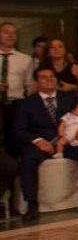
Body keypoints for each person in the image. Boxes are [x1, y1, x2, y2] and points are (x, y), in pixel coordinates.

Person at [13, 66, 78, 220]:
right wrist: (38, 141)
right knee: (28, 158)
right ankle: (32, 205)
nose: (49, 80)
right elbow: (19, 130)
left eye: (51, 76)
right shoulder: (26, 103)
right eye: (43, 77)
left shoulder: (70, 99)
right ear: (36, 82)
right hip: (41, 144)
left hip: (68, 141)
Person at [0, 22, 35, 156]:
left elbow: (30, 85)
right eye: (6, 32)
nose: (11, 35)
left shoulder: (26, 59)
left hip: (16, 104)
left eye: (14, 33)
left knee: (14, 142)